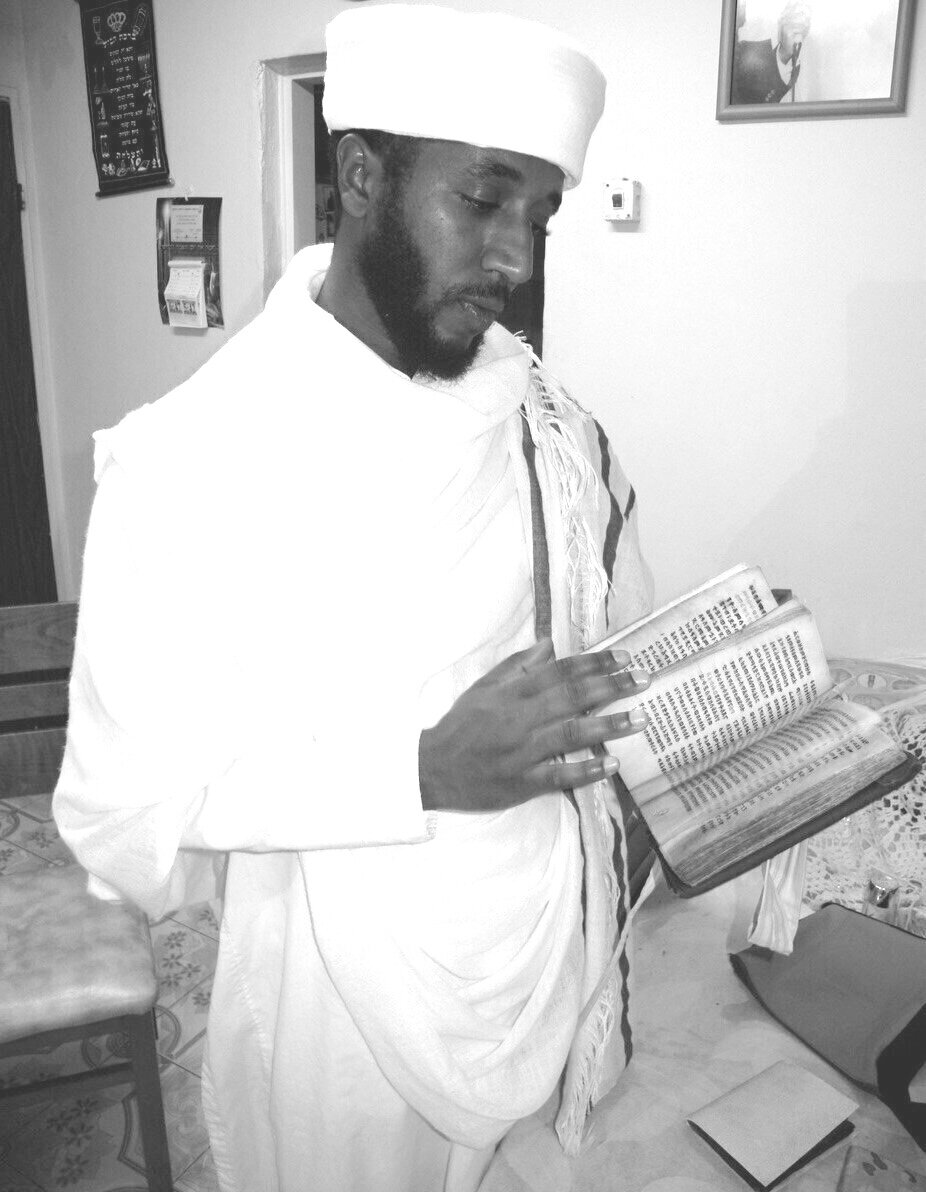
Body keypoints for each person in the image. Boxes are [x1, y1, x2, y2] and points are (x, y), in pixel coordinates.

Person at [53, 6, 654, 1191]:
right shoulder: (189, 460)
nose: (516, 259)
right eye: (482, 200)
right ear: (362, 176)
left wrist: (728, 723)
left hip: (552, 944)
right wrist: (420, 769)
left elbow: (613, 662)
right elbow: (120, 814)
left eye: (538, 213)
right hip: (335, 1009)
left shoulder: (552, 430)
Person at [732, 2, 812, 103]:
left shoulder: (797, 70)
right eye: (793, 27)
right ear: (781, 27)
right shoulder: (748, 52)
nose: (797, 37)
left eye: (802, 31)